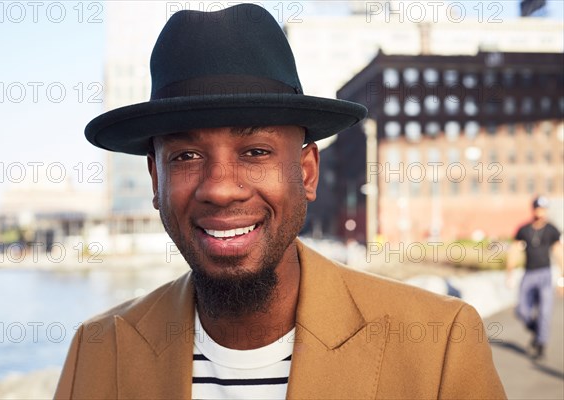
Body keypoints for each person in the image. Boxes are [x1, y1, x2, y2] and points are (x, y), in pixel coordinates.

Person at [55, 4, 506, 399]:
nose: (220, 188)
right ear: (156, 179)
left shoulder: (439, 345)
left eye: (255, 151)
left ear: (307, 172)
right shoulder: (98, 352)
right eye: (186, 156)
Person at [507, 196, 563, 360]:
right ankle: (536, 328)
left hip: (545, 274)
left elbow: (560, 254)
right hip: (529, 274)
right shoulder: (523, 230)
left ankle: (540, 344)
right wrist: (509, 273)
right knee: (522, 310)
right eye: (538, 208)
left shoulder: (552, 230)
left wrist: (562, 279)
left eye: (544, 209)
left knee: (545, 311)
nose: (541, 212)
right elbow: (514, 251)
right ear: (533, 209)